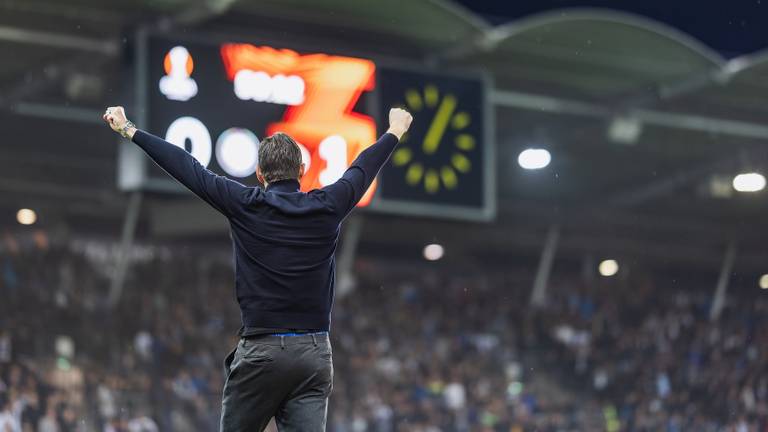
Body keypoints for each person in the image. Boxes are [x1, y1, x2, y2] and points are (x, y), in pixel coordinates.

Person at [102, 106, 413, 431]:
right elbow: (363, 168)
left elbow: (187, 167)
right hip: (313, 353)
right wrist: (394, 131)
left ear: (260, 174)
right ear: (303, 170)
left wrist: (129, 129)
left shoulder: (245, 203)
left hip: (261, 352)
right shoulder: (329, 205)